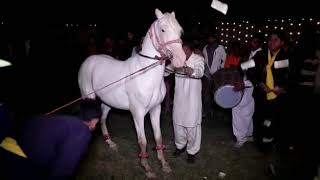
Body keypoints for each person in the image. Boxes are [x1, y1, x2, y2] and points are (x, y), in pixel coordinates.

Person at [0, 98, 102, 180]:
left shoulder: (54, 120)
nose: (95, 126)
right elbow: (62, 170)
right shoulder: (80, 130)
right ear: (93, 120)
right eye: (97, 122)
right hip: (20, 165)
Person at [165, 41, 204, 163]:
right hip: (179, 98)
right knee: (178, 123)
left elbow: (200, 72)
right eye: (181, 50)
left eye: (185, 50)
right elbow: (166, 71)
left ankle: (192, 151)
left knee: (192, 125)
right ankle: (180, 146)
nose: (183, 52)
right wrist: (160, 64)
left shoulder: (198, 59)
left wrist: (192, 71)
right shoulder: (177, 60)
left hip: (192, 99)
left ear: (191, 50)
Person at [202, 33, 226, 118]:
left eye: (211, 38)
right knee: (206, 93)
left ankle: (218, 110)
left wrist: (220, 69)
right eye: (209, 38)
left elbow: (224, 59)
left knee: (218, 92)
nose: (210, 40)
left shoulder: (220, 48)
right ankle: (207, 110)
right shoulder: (205, 48)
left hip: (217, 73)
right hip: (207, 73)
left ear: (215, 38)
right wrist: (205, 70)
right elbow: (204, 61)